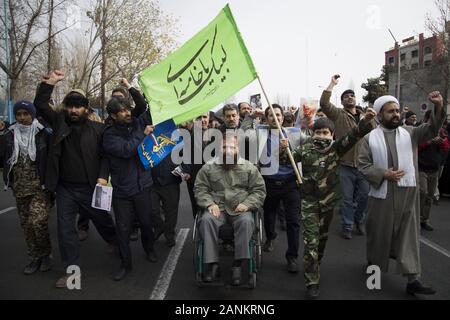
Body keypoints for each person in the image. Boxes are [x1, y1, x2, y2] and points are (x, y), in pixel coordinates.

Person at [280, 109, 376, 299]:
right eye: (318, 132)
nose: (321, 135)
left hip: (328, 203)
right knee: (311, 242)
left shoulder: (336, 148)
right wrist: (284, 148)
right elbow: (285, 160)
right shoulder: (305, 149)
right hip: (308, 203)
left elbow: (355, 134)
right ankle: (312, 281)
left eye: (325, 133)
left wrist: (365, 120)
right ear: (312, 133)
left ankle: (315, 264)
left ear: (332, 135)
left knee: (322, 241)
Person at [34, 70, 117, 288]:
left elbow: (106, 157)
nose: (73, 110)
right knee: (65, 231)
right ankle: (72, 273)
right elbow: (41, 104)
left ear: (86, 109)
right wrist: (50, 83)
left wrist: (102, 177)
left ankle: (113, 240)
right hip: (65, 190)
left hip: (92, 188)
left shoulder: (99, 129)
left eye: (78, 106)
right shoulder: (59, 123)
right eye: (70, 106)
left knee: (103, 221)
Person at [358, 91, 445, 296]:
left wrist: (439, 106)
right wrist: (384, 173)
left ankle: (413, 279)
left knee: (408, 236)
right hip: (381, 195)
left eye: (397, 110)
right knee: (379, 236)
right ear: (380, 115)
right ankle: (374, 274)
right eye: (390, 112)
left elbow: (433, 128)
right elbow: (362, 165)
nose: (396, 114)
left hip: (408, 192)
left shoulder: (411, 132)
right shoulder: (369, 139)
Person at [194, 133, 266, 285]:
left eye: (232, 147)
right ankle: (213, 264)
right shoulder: (208, 167)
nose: (228, 150)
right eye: (224, 146)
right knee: (206, 220)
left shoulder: (249, 168)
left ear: (238, 148)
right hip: (217, 208)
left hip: (240, 209)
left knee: (246, 222)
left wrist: (247, 204)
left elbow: (259, 190)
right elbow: (200, 189)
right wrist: (209, 204)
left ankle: (238, 264)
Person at [102, 97, 157, 281]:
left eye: (128, 109)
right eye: (123, 111)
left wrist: (138, 91)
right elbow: (126, 150)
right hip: (122, 190)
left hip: (143, 185)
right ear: (112, 115)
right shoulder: (109, 135)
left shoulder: (136, 122)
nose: (128, 113)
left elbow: (146, 108)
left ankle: (149, 249)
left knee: (146, 223)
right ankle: (125, 264)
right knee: (123, 230)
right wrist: (142, 134)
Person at [320, 75, 376, 239]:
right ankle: (347, 225)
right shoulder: (339, 115)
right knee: (347, 199)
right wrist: (332, 84)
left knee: (364, 197)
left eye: (352, 95)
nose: (349, 97)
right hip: (344, 164)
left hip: (364, 165)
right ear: (342, 101)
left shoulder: (368, 115)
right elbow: (324, 103)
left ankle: (359, 219)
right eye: (346, 96)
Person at [0, 101, 53, 275]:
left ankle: (45, 254)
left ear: (33, 114)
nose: (22, 117)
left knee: (37, 221)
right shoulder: (8, 135)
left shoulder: (43, 133)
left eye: (26, 113)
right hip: (19, 187)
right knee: (27, 226)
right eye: (19, 114)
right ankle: (35, 257)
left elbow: (52, 159)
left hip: (40, 187)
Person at [257, 104, 310, 273]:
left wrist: (309, 124)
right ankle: (270, 237)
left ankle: (292, 256)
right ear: (266, 119)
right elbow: (241, 131)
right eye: (271, 115)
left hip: (290, 183)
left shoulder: (294, 133)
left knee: (293, 221)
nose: (275, 118)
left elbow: (311, 141)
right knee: (269, 214)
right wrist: (251, 116)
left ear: (282, 116)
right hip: (268, 182)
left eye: (278, 114)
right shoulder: (259, 132)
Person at [418, 110, 450, 231]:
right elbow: (416, 146)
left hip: (434, 168)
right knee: (422, 192)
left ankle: (424, 220)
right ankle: (416, 218)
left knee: (430, 196)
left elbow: (447, 147)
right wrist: (430, 141)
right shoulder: (421, 130)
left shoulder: (442, 132)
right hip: (421, 167)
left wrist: (442, 142)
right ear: (427, 118)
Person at [151, 156, 182, 248]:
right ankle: (159, 226)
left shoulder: (178, 140)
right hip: (151, 180)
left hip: (171, 180)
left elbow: (187, 153)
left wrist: (186, 169)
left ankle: (169, 234)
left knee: (171, 212)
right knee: (151, 209)